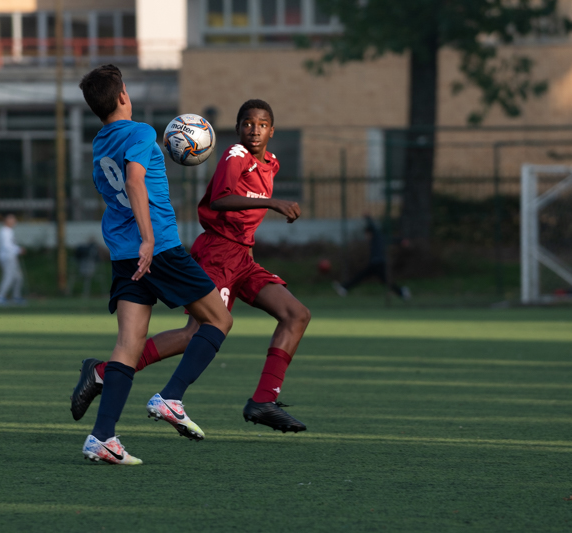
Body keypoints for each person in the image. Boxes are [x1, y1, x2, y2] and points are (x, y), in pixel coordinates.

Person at [72, 99, 311, 434]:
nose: (254, 130)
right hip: (218, 253)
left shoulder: (271, 163)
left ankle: (264, 400)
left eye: (261, 125)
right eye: (247, 123)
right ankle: (119, 378)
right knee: (197, 332)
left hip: (243, 259)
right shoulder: (235, 155)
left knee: (296, 315)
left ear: (272, 130)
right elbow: (219, 199)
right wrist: (273, 202)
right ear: (237, 128)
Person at [74, 64, 232, 465]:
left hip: (123, 254)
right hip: (157, 247)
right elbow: (134, 181)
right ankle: (171, 397)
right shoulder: (141, 132)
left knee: (128, 346)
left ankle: (102, 437)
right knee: (218, 319)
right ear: (123, 95)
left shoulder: (99, 143)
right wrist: (147, 237)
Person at [332, 215, 411, 300]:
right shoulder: (379, 238)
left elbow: (374, 227)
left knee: (363, 276)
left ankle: (402, 292)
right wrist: (401, 241)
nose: (366, 237)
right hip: (376, 264)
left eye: (366, 234)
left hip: (378, 263)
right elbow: (391, 239)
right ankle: (402, 293)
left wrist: (368, 218)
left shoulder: (377, 236)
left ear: (370, 233)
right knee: (375, 279)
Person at [0, 214, 25, 305]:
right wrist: (18, 250)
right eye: (13, 220)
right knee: (9, 277)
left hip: (11, 257)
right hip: (7, 257)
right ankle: (0, 297)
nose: (15, 222)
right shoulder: (5, 232)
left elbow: (11, 245)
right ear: (7, 221)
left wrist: (17, 249)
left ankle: (16, 296)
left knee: (18, 277)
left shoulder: (9, 231)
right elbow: (7, 246)